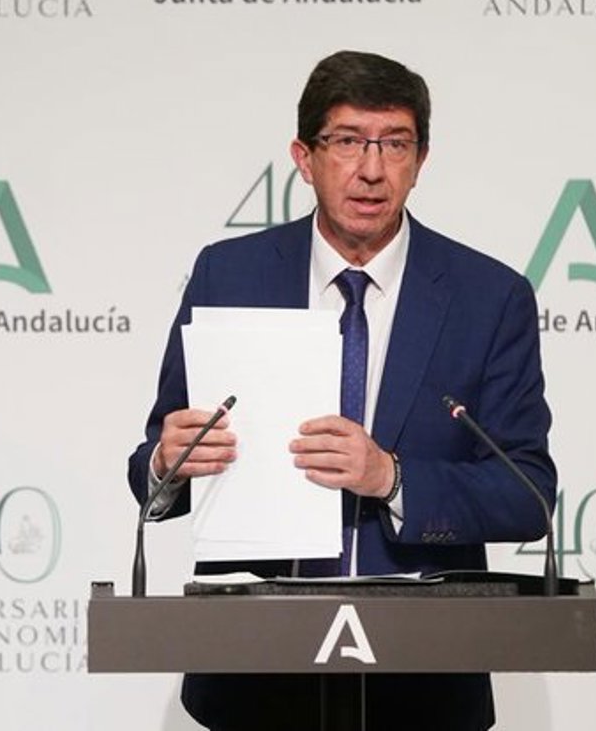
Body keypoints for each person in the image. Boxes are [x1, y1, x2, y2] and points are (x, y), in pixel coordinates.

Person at [126, 50, 556, 731]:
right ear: (305, 157)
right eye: (349, 141)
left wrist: (392, 477)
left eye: (396, 143)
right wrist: (165, 463)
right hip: (254, 673)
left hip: (423, 680)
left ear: (421, 160)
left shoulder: (488, 297)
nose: (372, 169)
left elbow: (526, 493)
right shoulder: (229, 275)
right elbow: (152, 466)